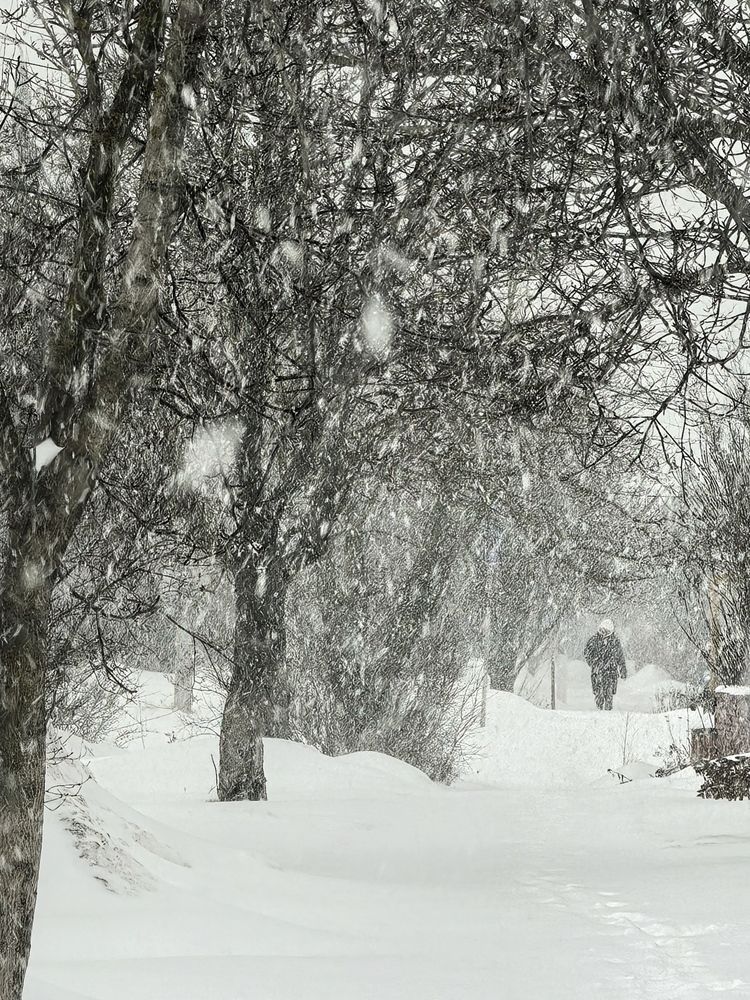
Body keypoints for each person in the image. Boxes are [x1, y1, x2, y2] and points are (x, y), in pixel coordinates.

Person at [583, 619, 627, 710]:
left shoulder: (615, 642)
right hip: (597, 672)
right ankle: (599, 708)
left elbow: (620, 657)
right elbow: (587, 654)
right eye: (602, 630)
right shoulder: (594, 640)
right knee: (599, 693)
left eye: (606, 631)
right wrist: (593, 663)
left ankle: (608, 711)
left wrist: (623, 670)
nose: (603, 632)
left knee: (609, 694)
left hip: (611, 672)